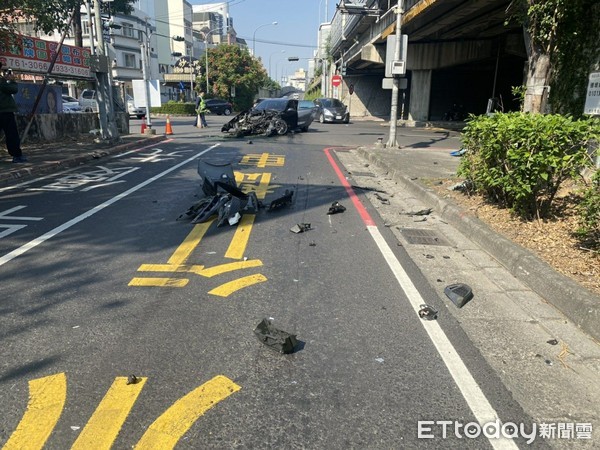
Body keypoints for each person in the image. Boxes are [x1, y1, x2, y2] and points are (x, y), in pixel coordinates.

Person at [0, 63, 27, 163]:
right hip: (5, 112)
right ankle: (17, 155)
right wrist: (11, 80)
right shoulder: (2, 82)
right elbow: (13, 89)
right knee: (12, 135)